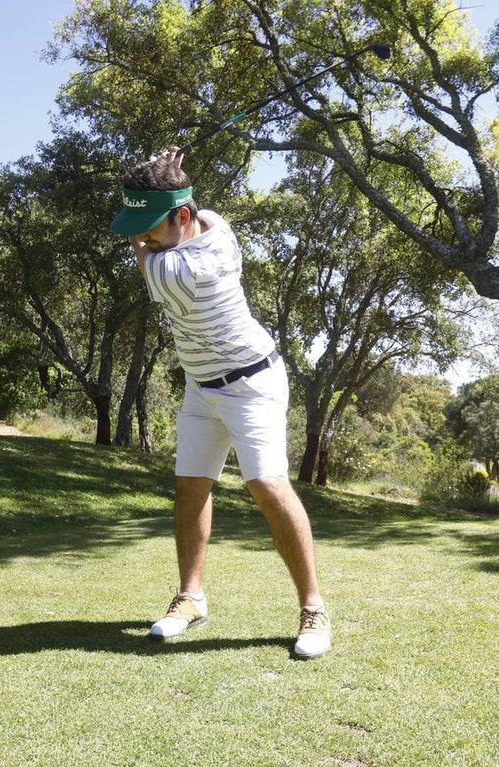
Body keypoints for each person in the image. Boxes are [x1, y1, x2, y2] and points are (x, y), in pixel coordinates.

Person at [110, 147, 331, 659]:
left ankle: (314, 607)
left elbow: (145, 252)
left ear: (182, 217)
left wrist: (161, 194)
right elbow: (182, 213)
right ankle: (191, 598)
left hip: (253, 384)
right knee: (190, 488)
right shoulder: (214, 224)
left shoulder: (174, 271)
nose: (140, 239)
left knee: (268, 485)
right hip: (201, 384)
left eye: (150, 230)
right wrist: (164, 179)